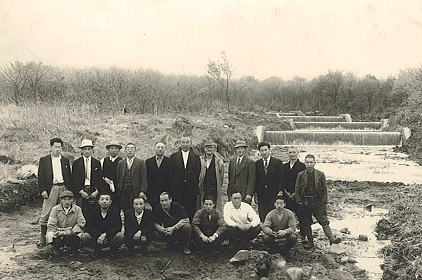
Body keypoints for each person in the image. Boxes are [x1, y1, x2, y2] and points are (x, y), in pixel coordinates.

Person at [295, 154, 341, 249]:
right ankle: (310, 243)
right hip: (305, 202)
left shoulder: (320, 174)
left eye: (311, 162)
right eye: (307, 162)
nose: (309, 164)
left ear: (315, 163)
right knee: (307, 222)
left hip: (318, 202)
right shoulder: (300, 175)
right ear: (305, 163)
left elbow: (325, 189)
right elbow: (297, 189)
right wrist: (299, 202)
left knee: (324, 221)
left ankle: (332, 239)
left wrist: (324, 201)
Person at [37, 137, 72, 247]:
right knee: (46, 213)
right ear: (51, 147)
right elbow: (41, 176)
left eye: (59, 147)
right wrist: (43, 190)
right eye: (55, 147)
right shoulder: (44, 160)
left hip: (63, 187)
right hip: (51, 188)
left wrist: (69, 190)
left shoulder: (65, 160)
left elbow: (68, 176)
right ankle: (43, 239)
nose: (57, 149)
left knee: (62, 211)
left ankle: (58, 239)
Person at [169, 136, 201, 220]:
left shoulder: (196, 157)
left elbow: (197, 172)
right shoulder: (173, 157)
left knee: (190, 210)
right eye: (183, 142)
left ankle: (190, 230)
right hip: (177, 189)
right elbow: (171, 173)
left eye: (187, 142)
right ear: (180, 143)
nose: (185, 144)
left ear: (190, 144)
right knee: (176, 210)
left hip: (191, 189)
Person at [46, 190, 86, 255]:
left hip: (72, 232)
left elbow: (81, 223)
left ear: (73, 200)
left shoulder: (77, 209)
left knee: (80, 236)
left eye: (69, 199)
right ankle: (55, 248)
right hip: (58, 232)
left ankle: (74, 249)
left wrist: (70, 231)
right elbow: (51, 224)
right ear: (60, 200)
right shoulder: (55, 209)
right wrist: (61, 232)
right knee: (51, 234)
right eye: (64, 199)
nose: (67, 202)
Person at [72, 139, 103, 218]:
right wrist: (81, 191)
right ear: (81, 150)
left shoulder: (96, 162)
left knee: (93, 210)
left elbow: (99, 178)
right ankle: (82, 228)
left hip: (93, 190)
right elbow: (74, 179)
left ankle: (92, 228)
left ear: (92, 150)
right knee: (80, 210)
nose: (87, 151)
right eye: (85, 149)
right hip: (81, 190)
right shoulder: (76, 163)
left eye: (89, 149)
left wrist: (97, 191)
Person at [255, 142, 284, 221]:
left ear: (269, 150)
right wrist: (255, 193)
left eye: (265, 150)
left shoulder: (277, 162)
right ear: (259, 152)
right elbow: (256, 179)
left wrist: (280, 191)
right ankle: (265, 230)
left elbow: (281, 178)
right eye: (262, 151)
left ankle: (274, 230)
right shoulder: (257, 164)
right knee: (262, 213)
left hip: (274, 192)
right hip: (261, 193)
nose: (264, 152)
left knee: (273, 213)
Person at [282, 146, 306, 240]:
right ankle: (287, 232)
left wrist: (296, 193)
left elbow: (303, 182)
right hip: (286, 194)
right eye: (290, 152)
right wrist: (285, 192)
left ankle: (302, 234)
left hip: (298, 195)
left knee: (300, 214)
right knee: (287, 214)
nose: (292, 154)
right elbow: (282, 180)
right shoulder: (284, 166)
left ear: (297, 153)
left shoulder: (302, 166)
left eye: (293, 152)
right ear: (288, 154)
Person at [116, 143, 148, 211]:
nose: (130, 150)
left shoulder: (141, 162)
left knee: (135, 210)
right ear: (125, 151)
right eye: (128, 148)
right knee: (124, 209)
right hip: (123, 192)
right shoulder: (120, 163)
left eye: (132, 148)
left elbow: (144, 178)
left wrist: (142, 191)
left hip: (135, 192)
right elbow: (118, 178)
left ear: (135, 151)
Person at [198, 140, 225, 210]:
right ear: (204, 149)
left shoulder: (219, 161)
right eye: (207, 147)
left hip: (214, 189)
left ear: (214, 149)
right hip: (203, 188)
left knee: (215, 207)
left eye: (211, 147)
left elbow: (221, 177)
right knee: (203, 206)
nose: (209, 149)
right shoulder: (200, 160)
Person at [145, 142, 172, 208]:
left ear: (165, 149)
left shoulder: (170, 161)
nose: (160, 149)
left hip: (165, 192)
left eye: (162, 148)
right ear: (155, 149)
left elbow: (172, 178)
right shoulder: (148, 162)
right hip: (152, 192)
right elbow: (146, 178)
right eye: (158, 147)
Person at [100, 140, 123, 208]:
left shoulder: (122, 161)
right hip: (105, 189)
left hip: (118, 189)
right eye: (112, 148)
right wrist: (105, 179)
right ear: (108, 150)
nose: (114, 150)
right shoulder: (103, 160)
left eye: (116, 148)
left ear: (119, 150)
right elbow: (100, 174)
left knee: (116, 207)